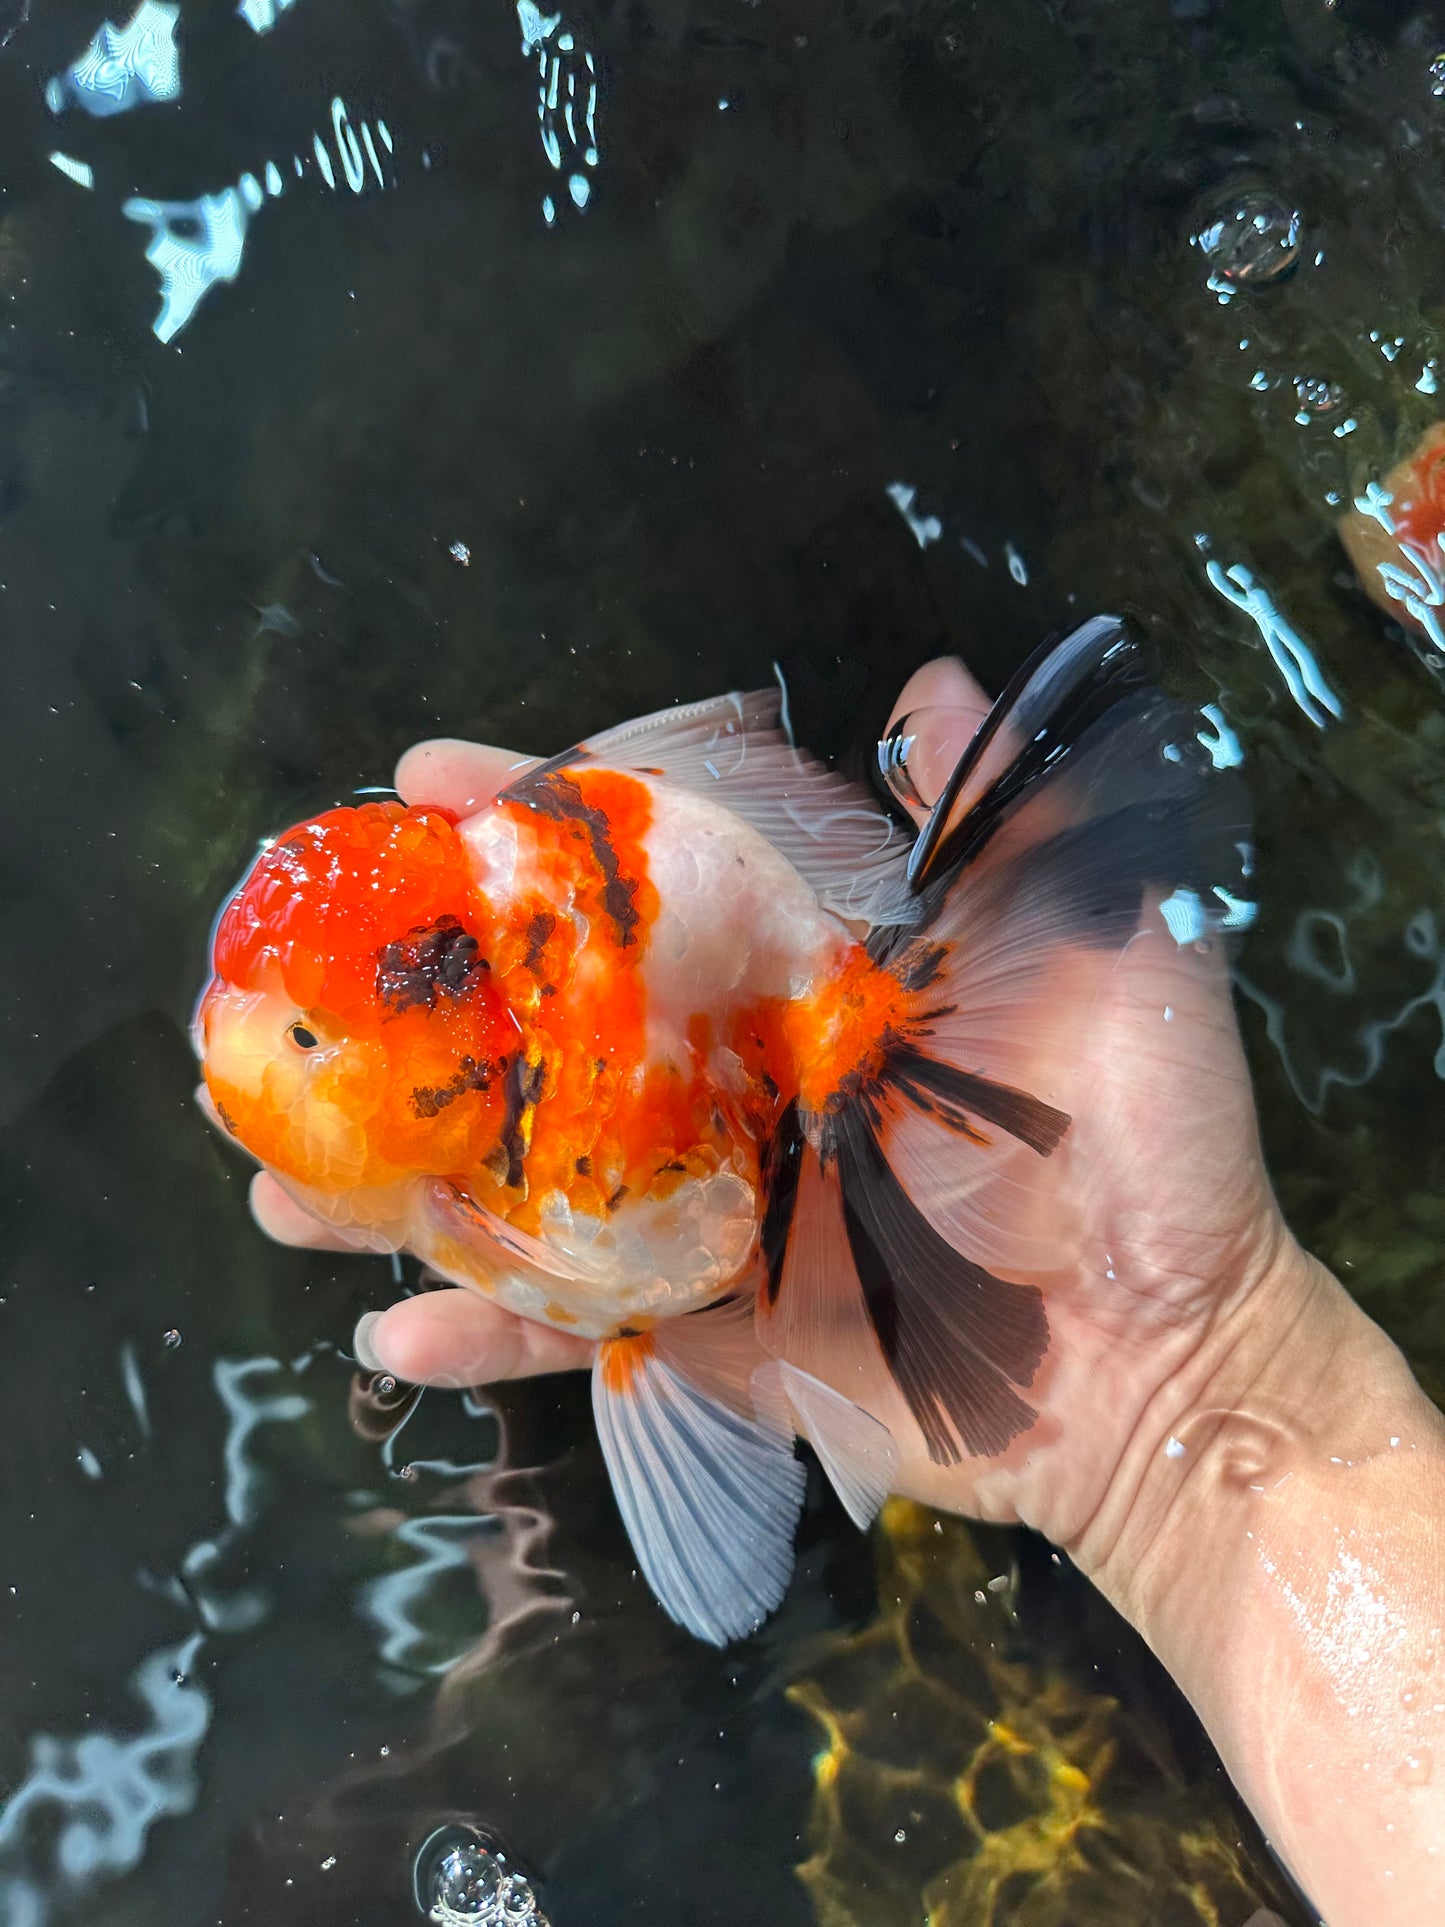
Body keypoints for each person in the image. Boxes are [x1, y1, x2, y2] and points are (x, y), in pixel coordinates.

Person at [252, 656, 1445, 1927]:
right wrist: (1197, 1399)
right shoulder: (444, 1159)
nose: (249, 1052)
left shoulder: (490, 1158)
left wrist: (1191, 1369)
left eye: (304, 1040)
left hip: (753, 1096)